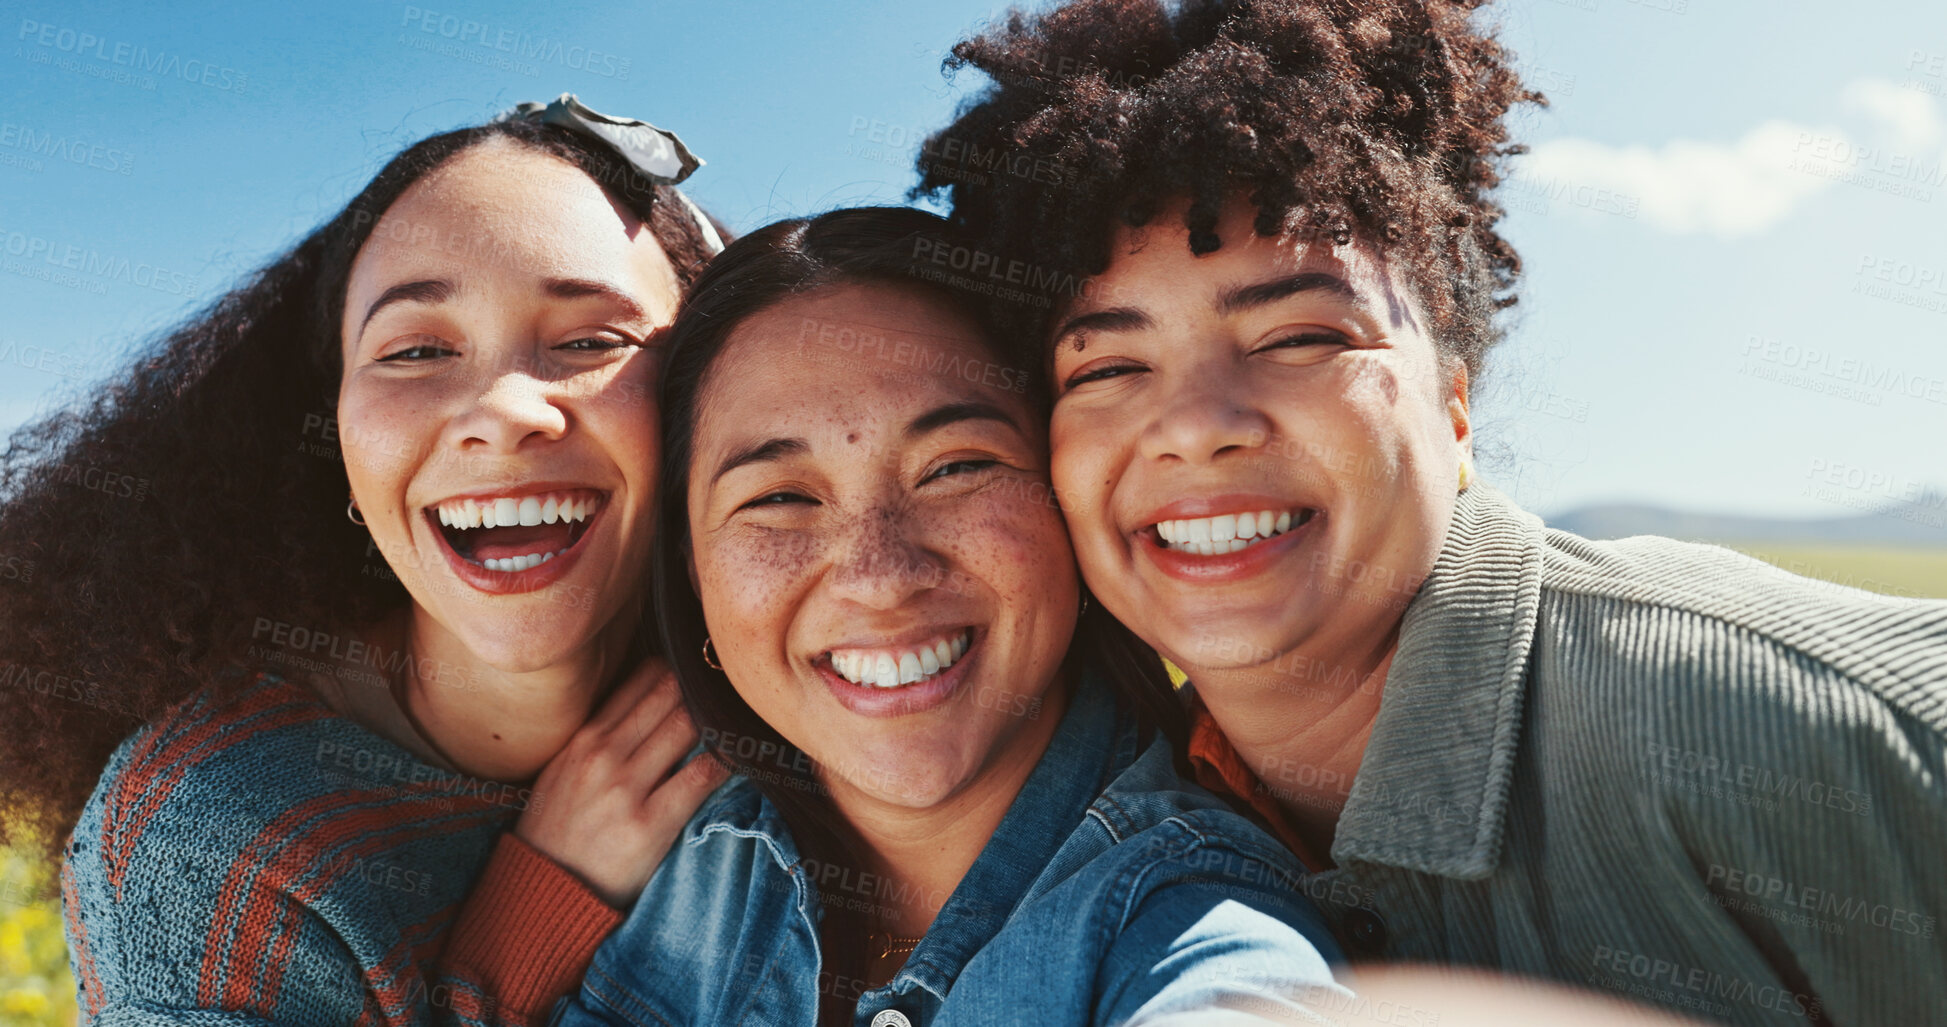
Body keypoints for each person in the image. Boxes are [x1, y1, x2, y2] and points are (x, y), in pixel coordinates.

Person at [914, 2, 1947, 1024]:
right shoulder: (1087, 798)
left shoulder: (1795, 730)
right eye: (1112, 364)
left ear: (1455, 402)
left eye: (1300, 338)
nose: (1195, 427)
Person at [1, 96, 728, 1025]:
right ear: (337, 442)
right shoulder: (218, 832)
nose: (503, 409)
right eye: (417, 350)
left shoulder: (794, 698)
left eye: (591, 340)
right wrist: (535, 915)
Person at [553, 206, 1350, 1027]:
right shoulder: (681, 859)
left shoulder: (1189, 912)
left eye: (956, 467)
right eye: (780, 498)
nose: (880, 576)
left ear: (1064, 498)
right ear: (691, 570)